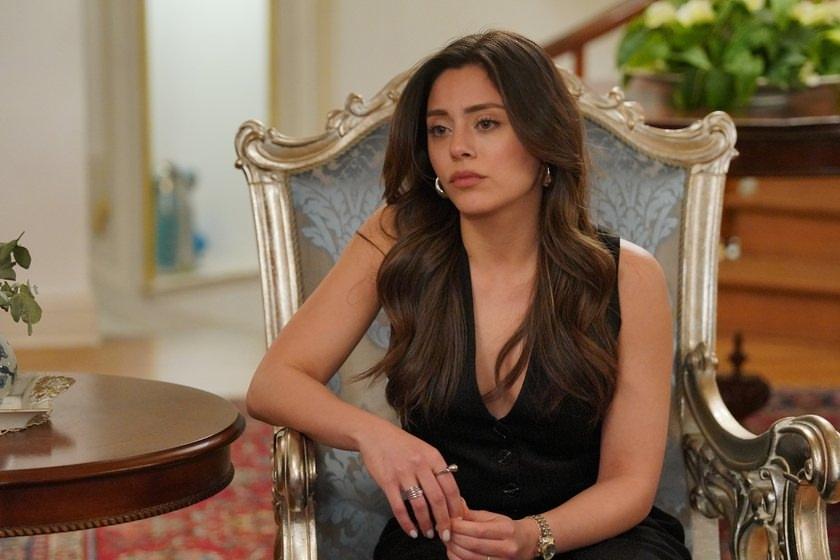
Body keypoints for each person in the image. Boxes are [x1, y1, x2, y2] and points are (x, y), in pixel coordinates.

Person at [247, 30, 691, 560]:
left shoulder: (628, 275)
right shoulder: (396, 237)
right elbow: (273, 382)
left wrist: (531, 537)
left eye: (486, 123)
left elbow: (629, 483)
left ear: (542, 136)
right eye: (439, 129)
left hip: (592, 537)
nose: (458, 147)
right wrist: (376, 436)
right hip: (444, 540)